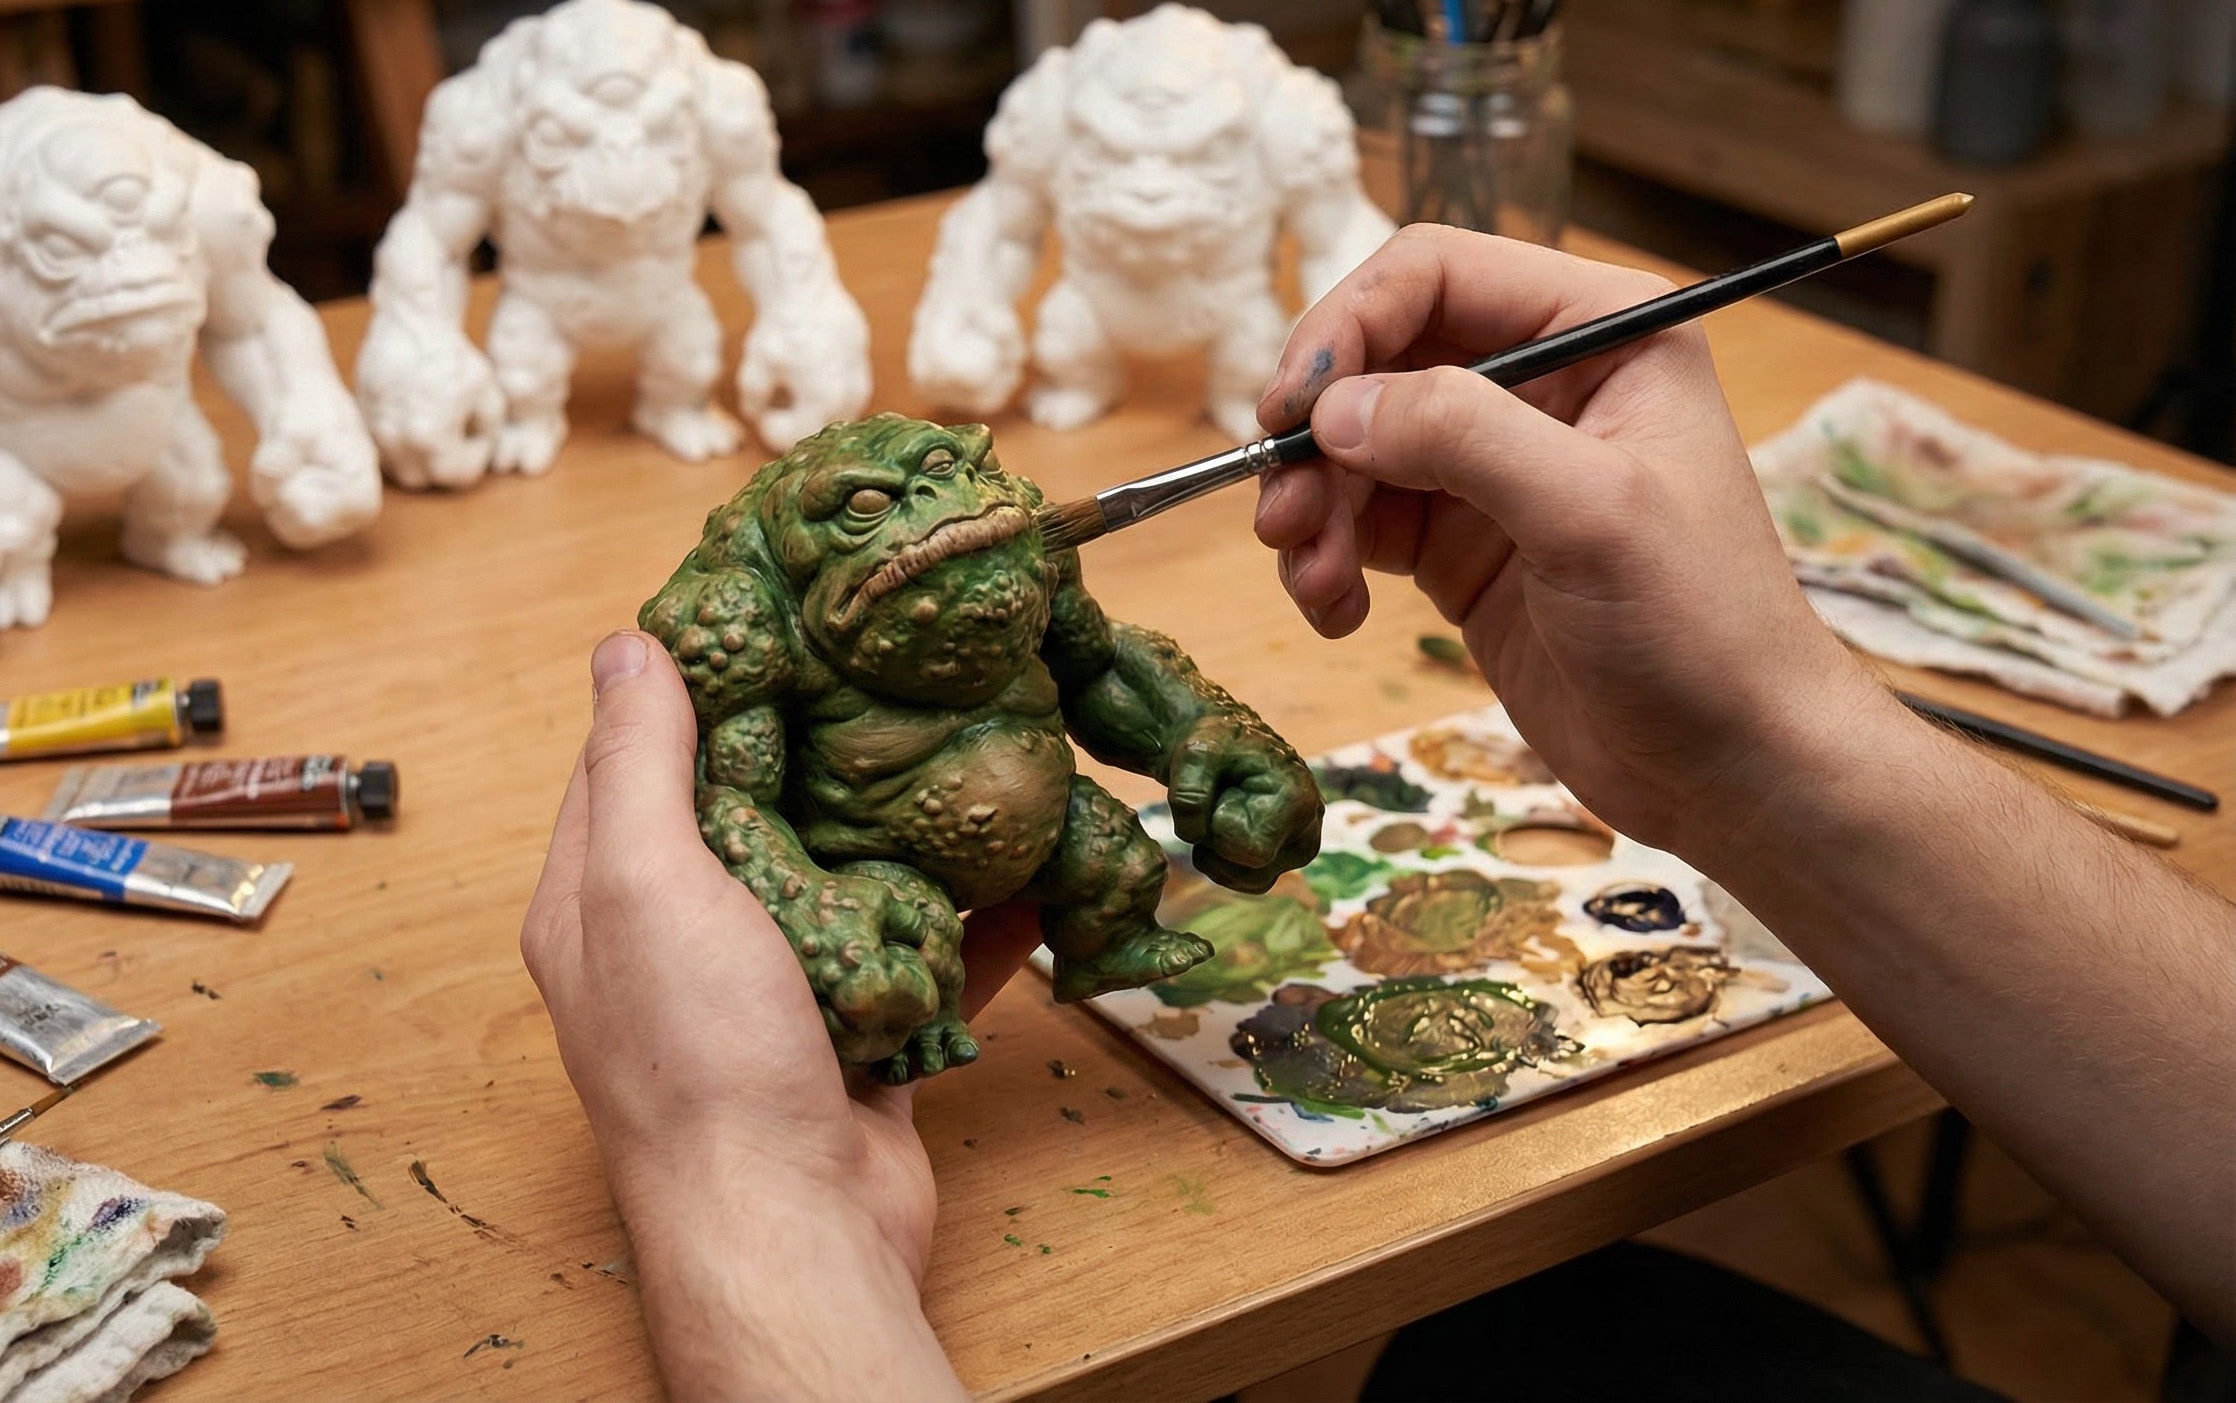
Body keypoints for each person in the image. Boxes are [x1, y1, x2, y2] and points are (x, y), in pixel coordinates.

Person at [520, 227, 2236, 1400]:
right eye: (881, 506)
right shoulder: (751, 625)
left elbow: (1121, 680)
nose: (956, 513)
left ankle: (1104, 935)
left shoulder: (1030, 576)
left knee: (1113, 862)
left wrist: (1216, 748)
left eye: (963, 477)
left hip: (1050, 848)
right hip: (898, 874)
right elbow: (739, 810)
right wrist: (801, 1010)